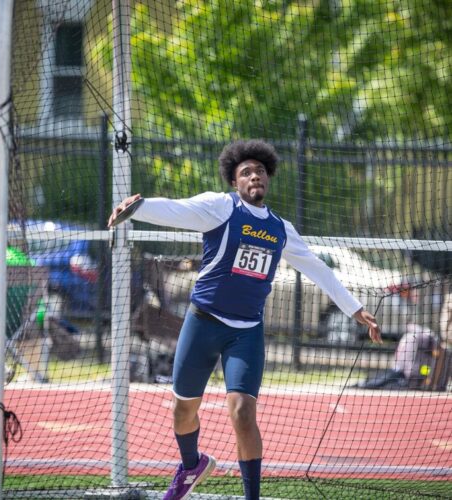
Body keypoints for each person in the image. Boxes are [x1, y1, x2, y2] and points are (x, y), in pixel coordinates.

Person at [108, 139, 381, 500]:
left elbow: (317, 268)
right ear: (235, 181)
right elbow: (177, 209)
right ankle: (192, 465)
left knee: (242, 412)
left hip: (246, 332)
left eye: (261, 171)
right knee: (182, 410)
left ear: (268, 179)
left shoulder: (281, 229)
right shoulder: (220, 207)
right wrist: (139, 207)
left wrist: (354, 308)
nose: (255, 176)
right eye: (246, 171)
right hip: (203, 323)